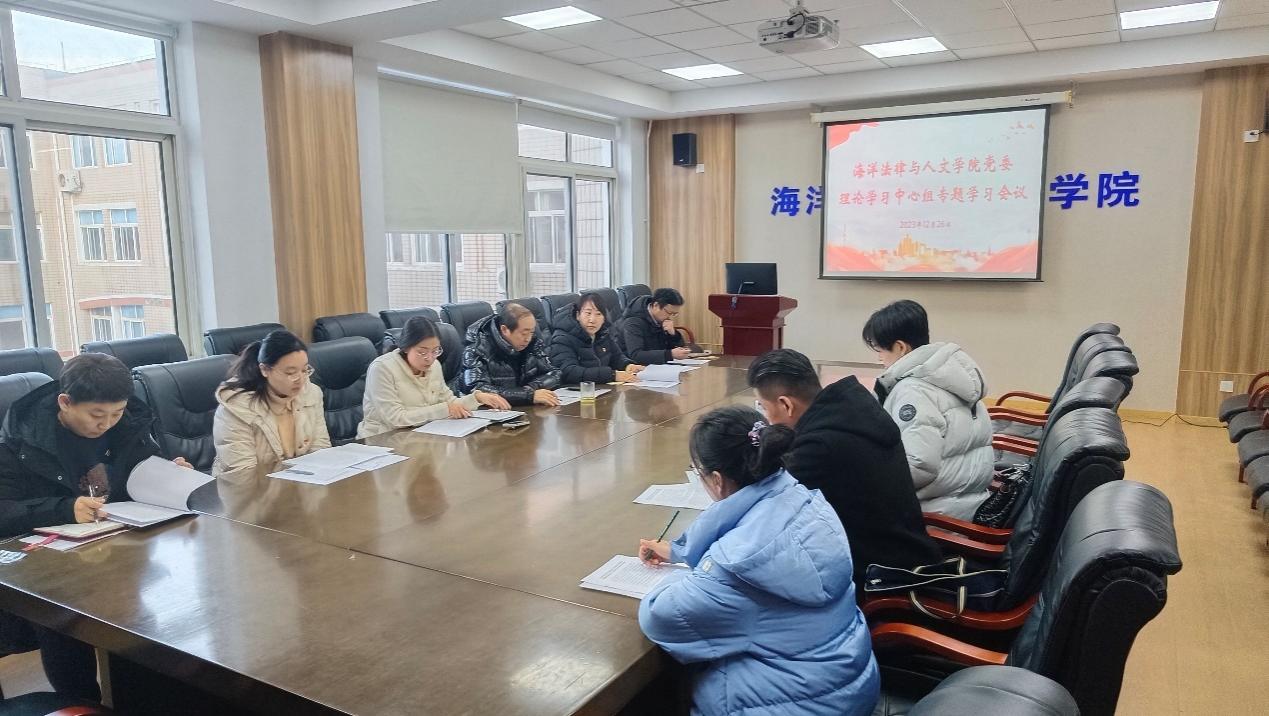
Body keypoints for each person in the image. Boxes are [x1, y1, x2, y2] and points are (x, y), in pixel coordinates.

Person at [638, 406, 879, 716]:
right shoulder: (808, 503)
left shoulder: (737, 565)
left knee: (654, 695)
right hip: (849, 686)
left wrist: (688, 573)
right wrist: (681, 551)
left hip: (797, 705)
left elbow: (660, 618)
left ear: (716, 480)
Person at [0, 353, 192, 701]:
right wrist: (63, 508)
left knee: (148, 622)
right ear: (65, 402)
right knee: (64, 624)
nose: (106, 424)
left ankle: (141, 699)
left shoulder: (128, 422)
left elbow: (140, 468)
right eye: (96, 415)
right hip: (54, 564)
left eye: (116, 413)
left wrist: (167, 473)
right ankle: (82, 703)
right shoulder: (21, 439)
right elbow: (4, 510)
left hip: (122, 545)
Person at [748, 349, 942, 593]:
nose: (767, 419)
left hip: (877, 580)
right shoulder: (853, 410)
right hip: (907, 553)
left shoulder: (819, 446)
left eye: (765, 408)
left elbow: (767, 510)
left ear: (786, 404)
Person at [864, 300, 993, 520]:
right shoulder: (953, 378)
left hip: (933, 517)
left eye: (880, 350)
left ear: (900, 347)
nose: (879, 358)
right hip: (969, 505)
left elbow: (918, 466)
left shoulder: (913, 390)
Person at [358, 317, 510, 438]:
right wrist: (445, 409)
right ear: (406, 347)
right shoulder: (382, 369)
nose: (429, 358)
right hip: (382, 441)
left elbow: (450, 402)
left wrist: (477, 398)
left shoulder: (434, 365)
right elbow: (396, 419)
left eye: (435, 350)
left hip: (420, 437)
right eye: (422, 352)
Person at [212, 330, 330, 477]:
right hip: (248, 488)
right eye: (290, 373)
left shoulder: (310, 393)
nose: (300, 379)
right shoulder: (236, 408)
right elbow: (242, 475)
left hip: (299, 484)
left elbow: (320, 451)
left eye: (305, 370)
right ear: (265, 370)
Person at [459, 303, 562, 407]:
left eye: (531, 332)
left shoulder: (532, 342)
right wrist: (528, 395)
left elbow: (554, 373)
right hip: (489, 411)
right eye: (524, 333)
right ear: (504, 330)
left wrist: (532, 387)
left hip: (521, 408)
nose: (528, 339)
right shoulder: (477, 348)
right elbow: (477, 389)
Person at [548, 292, 644, 385]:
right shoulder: (562, 338)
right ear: (578, 315)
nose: (592, 320)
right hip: (576, 390)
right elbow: (568, 372)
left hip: (601, 388)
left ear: (604, 318)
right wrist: (612, 375)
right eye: (588, 313)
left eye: (598, 314)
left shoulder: (603, 334)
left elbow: (617, 357)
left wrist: (627, 365)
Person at [616, 287, 692, 365]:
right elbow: (636, 355)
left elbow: (678, 348)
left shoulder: (661, 319)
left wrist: (673, 335)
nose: (670, 316)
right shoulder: (633, 323)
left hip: (658, 365)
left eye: (674, 314)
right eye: (669, 313)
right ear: (656, 305)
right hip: (634, 368)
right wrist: (670, 354)